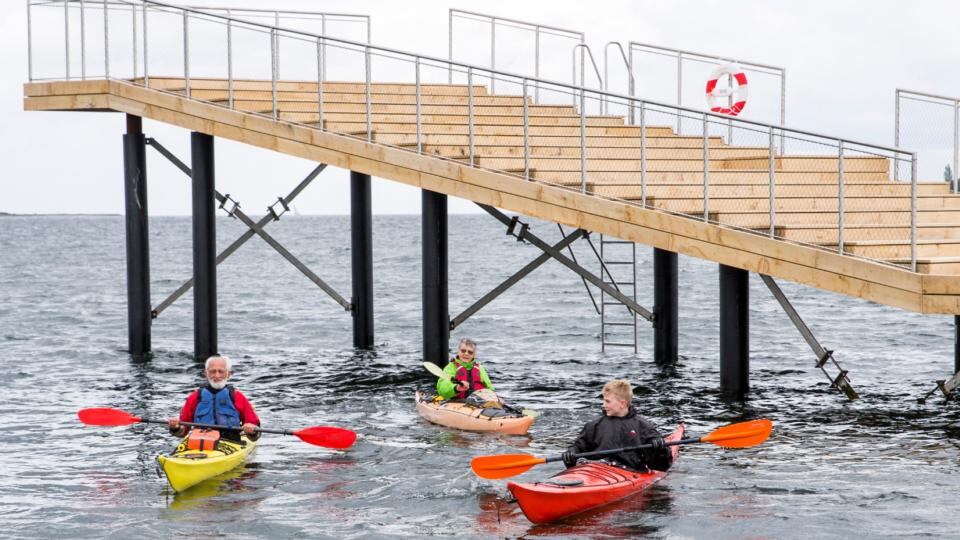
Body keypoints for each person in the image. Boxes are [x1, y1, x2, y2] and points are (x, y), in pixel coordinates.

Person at [561, 379, 672, 472]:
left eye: (607, 402)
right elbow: (579, 446)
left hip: (628, 471)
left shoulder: (643, 426)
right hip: (595, 470)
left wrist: (661, 449)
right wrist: (571, 453)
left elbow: (661, 467)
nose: (603, 405)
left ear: (622, 403)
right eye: (603, 401)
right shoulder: (594, 426)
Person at [167, 355, 261, 441]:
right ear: (206, 374)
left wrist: (252, 430)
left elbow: (256, 432)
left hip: (230, 442)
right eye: (212, 371)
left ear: (228, 374)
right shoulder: (194, 397)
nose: (217, 375)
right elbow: (183, 432)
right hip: (200, 441)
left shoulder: (238, 397)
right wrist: (175, 427)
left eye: (221, 371)